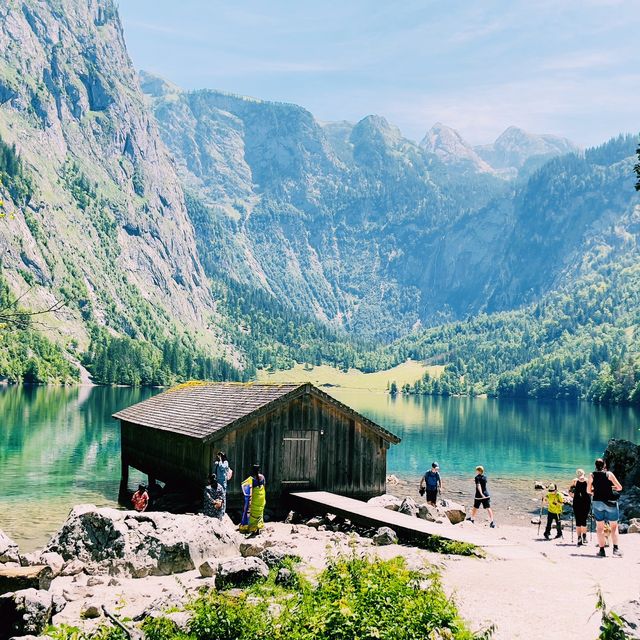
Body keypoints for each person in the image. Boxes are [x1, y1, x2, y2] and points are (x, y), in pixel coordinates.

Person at [587, 458, 623, 557]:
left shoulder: (591, 475)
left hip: (597, 503)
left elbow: (588, 491)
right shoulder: (609, 474)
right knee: (614, 527)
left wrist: (596, 490)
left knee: (599, 527)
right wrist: (611, 488)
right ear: (604, 465)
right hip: (610, 502)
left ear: (595, 465)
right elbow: (620, 488)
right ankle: (615, 549)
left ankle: (602, 550)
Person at [239, 464, 266, 535]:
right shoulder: (262, 477)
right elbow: (263, 485)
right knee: (260, 512)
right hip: (261, 496)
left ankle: (252, 528)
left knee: (253, 512)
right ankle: (258, 528)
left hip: (255, 497)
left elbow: (247, 488)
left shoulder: (251, 479)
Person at [569, 469, 591, 546]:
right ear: (584, 474)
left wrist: (573, 496)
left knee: (578, 520)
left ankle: (579, 538)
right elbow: (591, 491)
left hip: (577, 502)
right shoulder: (587, 480)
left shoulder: (574, 481)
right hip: (586, 501)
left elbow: (570, 492)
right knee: (584, 520)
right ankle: (584, 536)